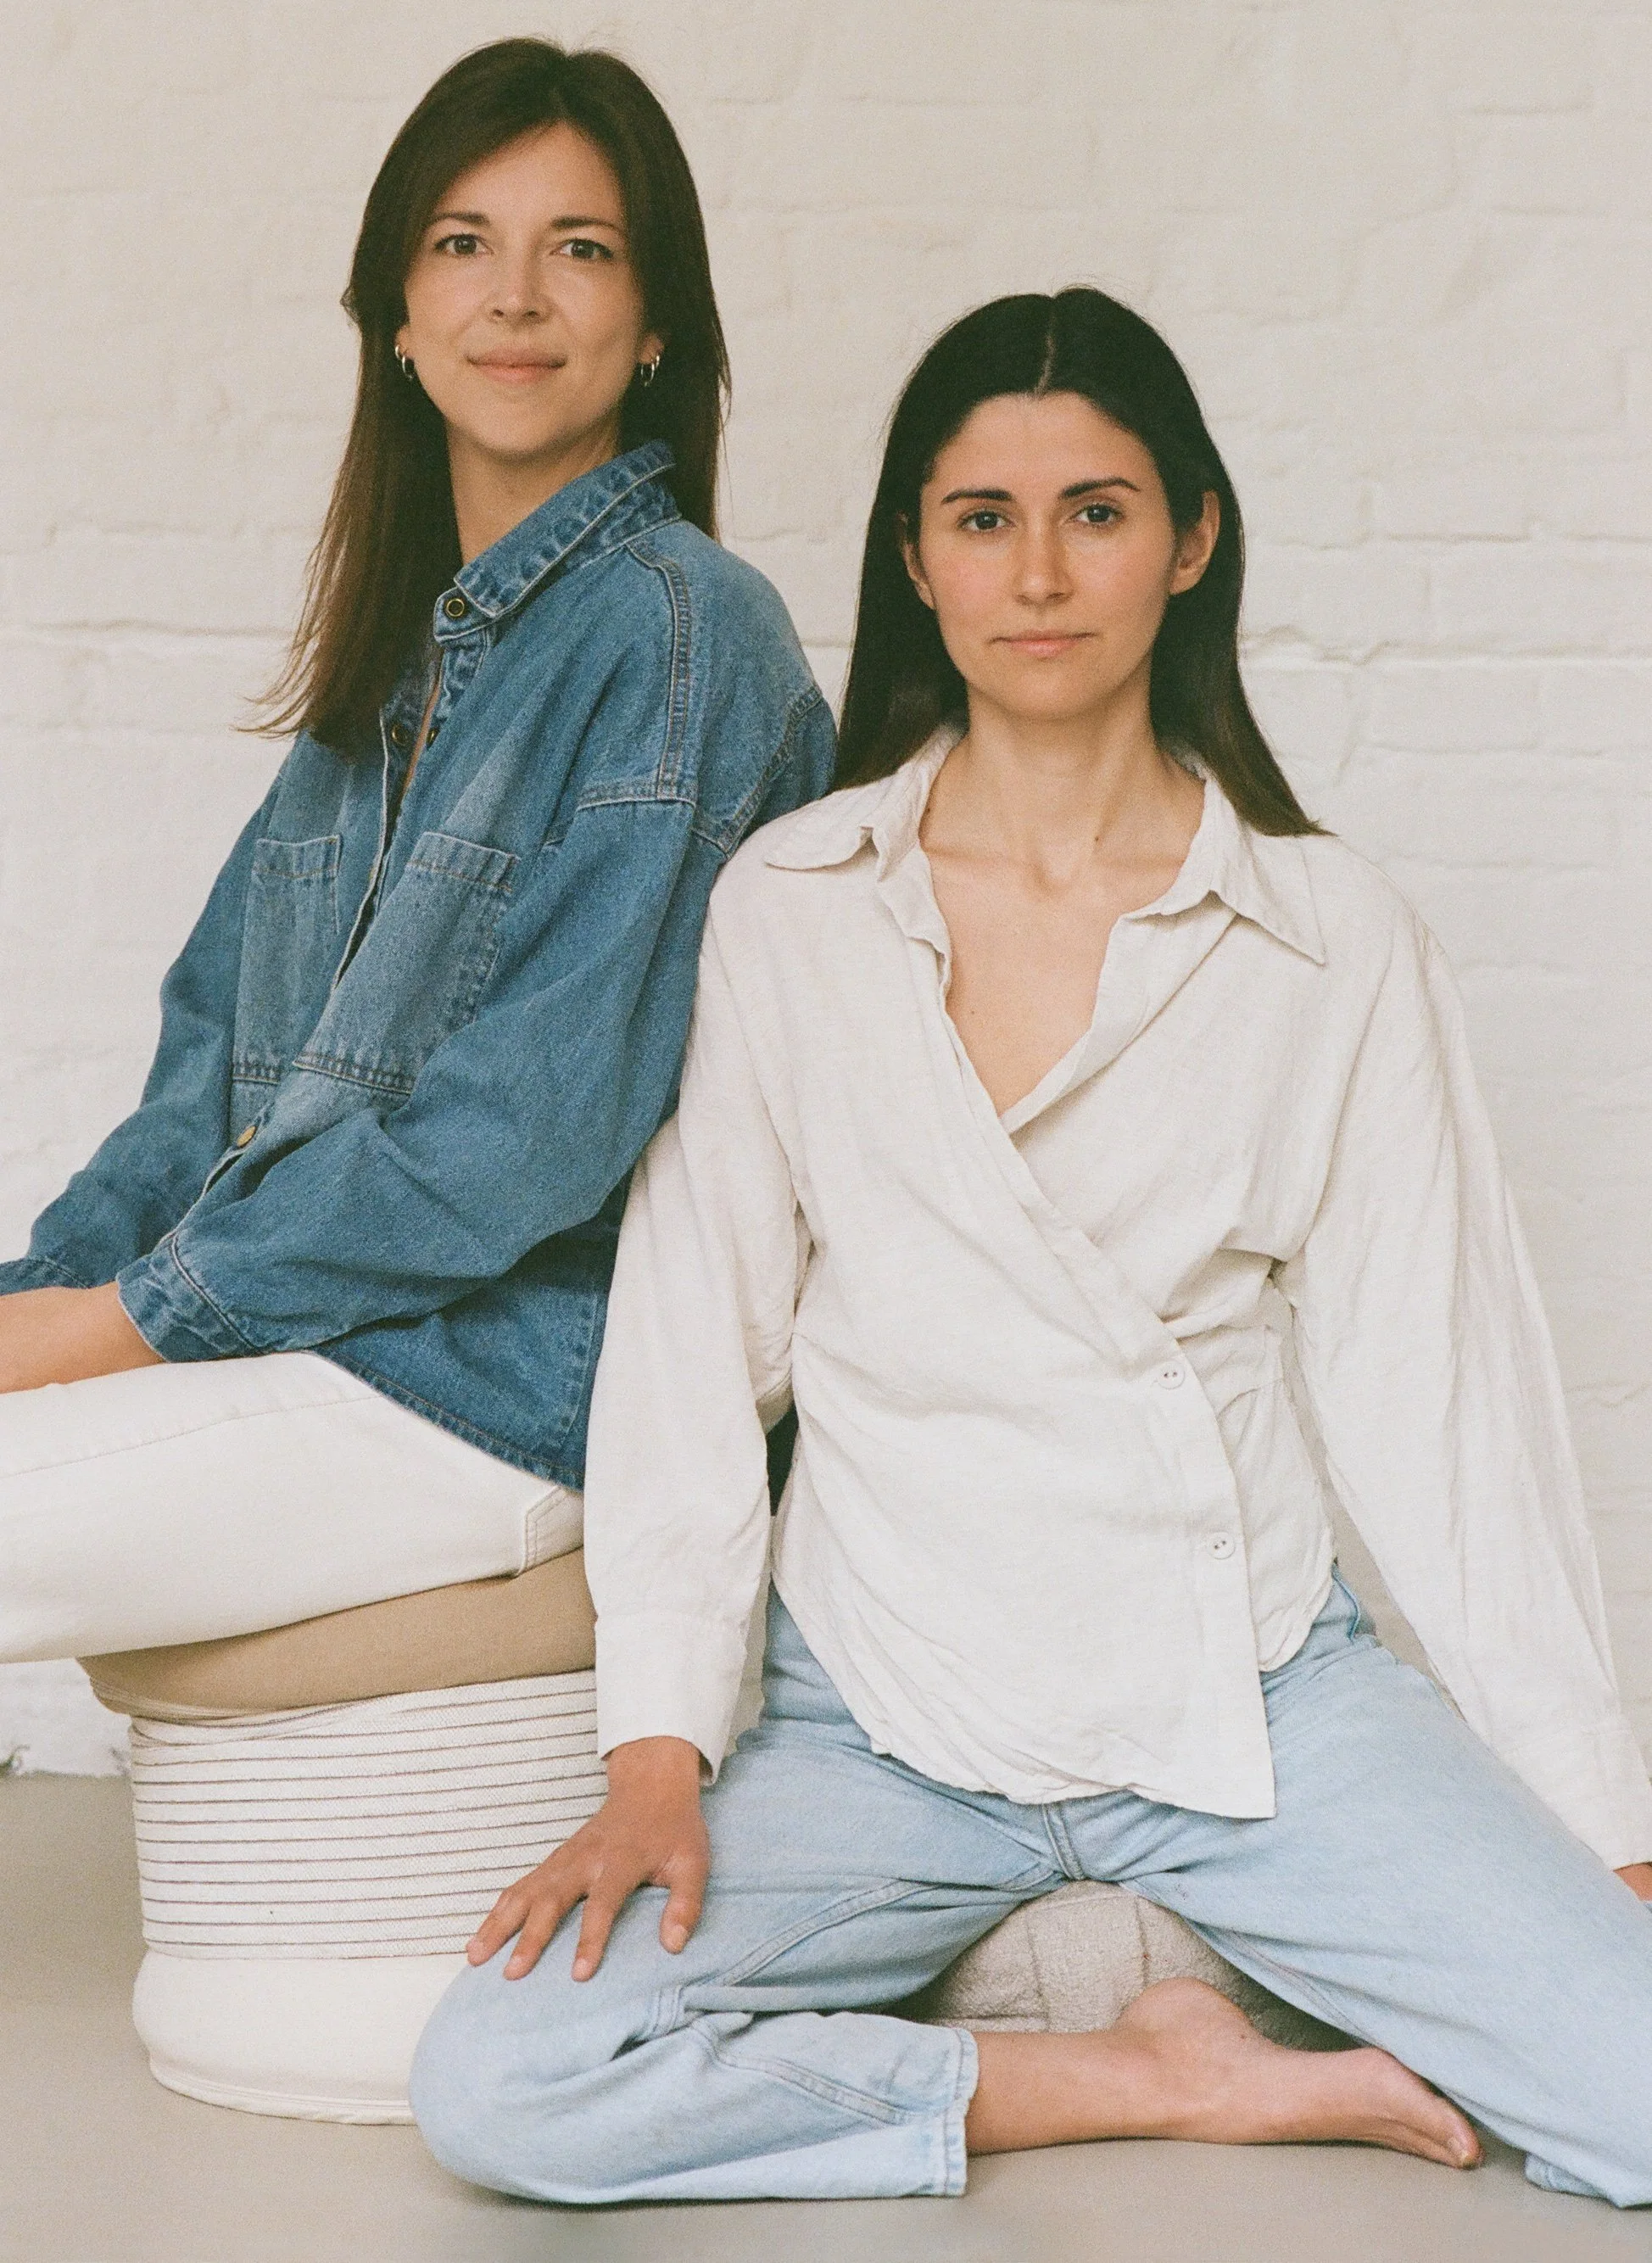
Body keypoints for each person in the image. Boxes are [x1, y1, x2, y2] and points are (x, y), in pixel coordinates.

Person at [410, 287, 1652, 2209]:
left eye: (1097, 511)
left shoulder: (1330, 937)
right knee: (507, 2083)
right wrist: (657, 1749)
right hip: (878, 1715)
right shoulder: (796, 907)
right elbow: (689, 1349)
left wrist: (1599, 1834)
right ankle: (1145, 2077)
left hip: (1252, 1699)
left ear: (1192, 538)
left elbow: (1446, 1409)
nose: (1040, 573)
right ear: (915, 560)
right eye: (982, 519)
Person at [0, 38, 834, 1665]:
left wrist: (111, 1328)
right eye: (463, 244)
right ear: (396, 314)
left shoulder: (686, 634)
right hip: (320, 1344)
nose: (514, 298)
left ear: (657, 321)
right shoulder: (386, 681)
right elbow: (204, 1091)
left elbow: (519, 1141)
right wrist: (45, 1294)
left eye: (579, 249)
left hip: (506, 1385)